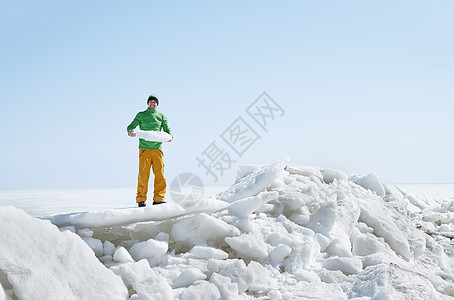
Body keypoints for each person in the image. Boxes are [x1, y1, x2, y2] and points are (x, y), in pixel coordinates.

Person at [127, 95, 173, 207]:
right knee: (143, 175)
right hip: (144, 149)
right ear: (148, 103)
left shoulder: (161, 116)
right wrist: (130, 131)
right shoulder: (141, 115)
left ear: (157, 104)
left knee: (160, 175)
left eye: (154, 102)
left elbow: (167, 129)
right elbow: (131, 126)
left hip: (158, 150)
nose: (152, 104)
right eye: (151, 102)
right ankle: (141, 199)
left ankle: (159, 199)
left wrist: (170, 136)